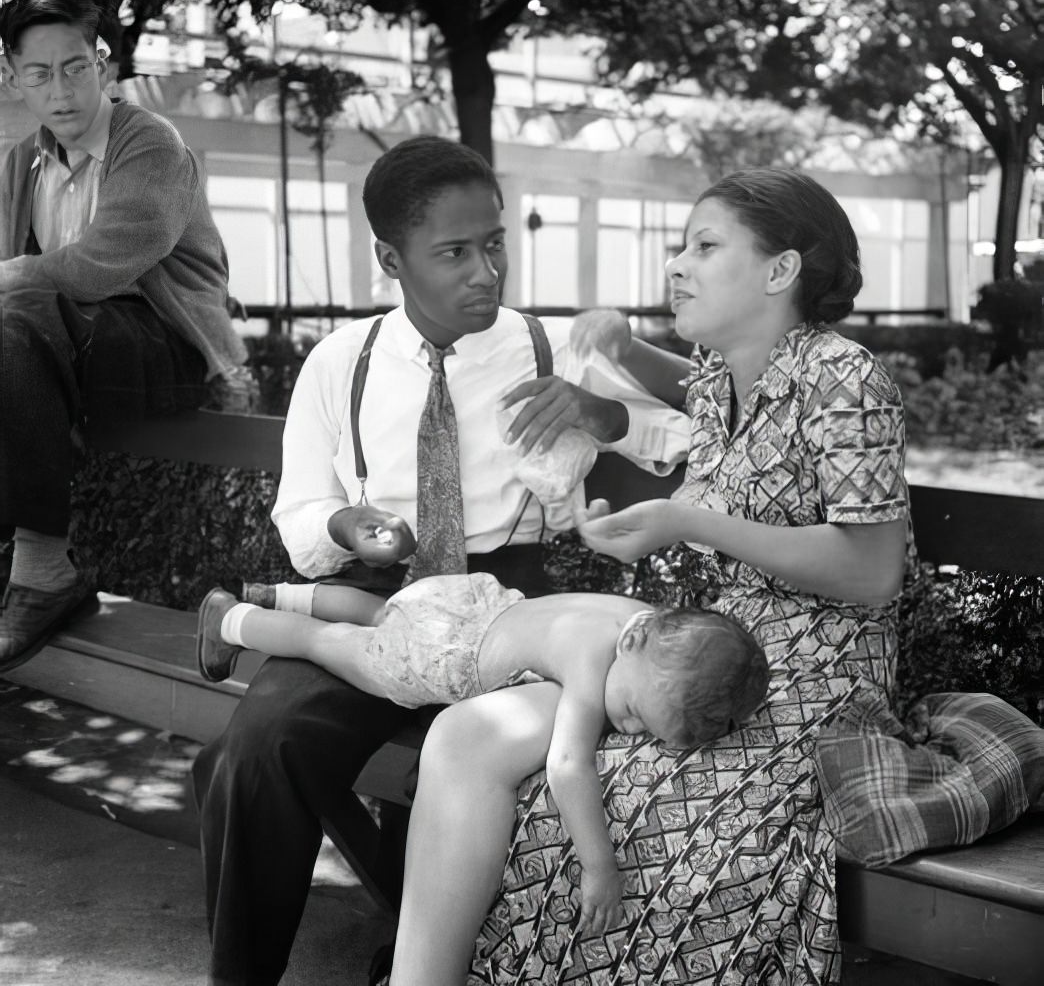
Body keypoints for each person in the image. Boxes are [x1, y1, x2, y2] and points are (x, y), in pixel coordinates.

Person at [383, 167, 909, 986]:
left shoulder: (844, 376)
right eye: (681, 245)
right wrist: (621, 345)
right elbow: (692, 392)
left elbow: (874, 572)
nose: (678, 263)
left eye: (705, 246)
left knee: (624, 811)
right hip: (702, 648)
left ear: (780, 272)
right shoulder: (730, 370)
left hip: (816, 678)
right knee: (471, 738)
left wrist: (688, 521)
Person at [190, 133, 690, 985]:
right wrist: (349, 526)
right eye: (454, 253)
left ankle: (415, 957)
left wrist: (600, 414)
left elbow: (682, 440)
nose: (486, 273)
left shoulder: (552, 346)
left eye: (495, 244)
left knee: (460, 763)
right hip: (379, 595)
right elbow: (300, 513)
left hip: (509, 602)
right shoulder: (339, 364)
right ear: (390, 256)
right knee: (259, 748)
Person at [196, 575, 769, 933]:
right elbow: (568, 767)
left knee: (379, 612)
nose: (627, 727)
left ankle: (278, 592)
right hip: (439, 655)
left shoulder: (637, 620)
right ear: (629, 646)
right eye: (635, 713)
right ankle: (230, 620)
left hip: (467, 598)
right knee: (327, 645)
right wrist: (601, 868)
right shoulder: (595, 662)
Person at [0, 0, 247, 669]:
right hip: (66, 345)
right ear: (13, 79)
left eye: (76, 67)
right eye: (41, 74)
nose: (63, 90)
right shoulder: (22, 161)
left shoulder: (151, 144)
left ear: (102, 63)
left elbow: (99, 267)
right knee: (14, 316)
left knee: (17, 303)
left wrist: (10, 283)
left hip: (169, 345)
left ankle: (43, 570)